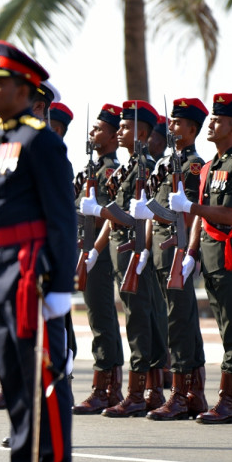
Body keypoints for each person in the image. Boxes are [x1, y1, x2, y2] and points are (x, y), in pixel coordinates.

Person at [0, 41, 75, 462]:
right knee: (14, 382)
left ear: (24, 90)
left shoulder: (42, 142)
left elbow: (61, 218)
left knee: (44, 384)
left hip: (31, 273)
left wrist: (60, 285)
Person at [79, 100, 168, 417]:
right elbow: (113, 217)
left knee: (142, 322)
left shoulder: (150, 167)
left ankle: (142, 390)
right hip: (121, 252)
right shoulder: (129, 168)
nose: (120, 132)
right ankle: (141, 390)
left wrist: (100, 213)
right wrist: (93, 250)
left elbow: (137, 216)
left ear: (142, 133)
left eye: (126, 127)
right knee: (135, 320)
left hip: (137, 252)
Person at [172, 93, 232, 423]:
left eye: (218, 120)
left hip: (228, 255)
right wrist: (191, 254)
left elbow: (231, 214)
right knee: (223, 326)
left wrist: (189, 206)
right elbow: (202, 221)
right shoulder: (210, 167)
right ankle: (231, 400)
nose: (211, 123)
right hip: (208, 255)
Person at [145, 98, 209, 419]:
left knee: (179, 323)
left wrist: (190, 252)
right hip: (163, 251)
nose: (170, 128)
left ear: (192, 129)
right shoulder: (169, 164)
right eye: (170, 123)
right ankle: (194, 393)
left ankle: (182, 394)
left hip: (177, 251)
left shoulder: (193, 165)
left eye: (177, 123)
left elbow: (189, 213)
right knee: (179, 319)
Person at [73, 103, 125, 414]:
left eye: (98, 129)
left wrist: (94, 252)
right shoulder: (91, 171)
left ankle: (107, 387)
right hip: (87, 250)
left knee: (103, 320)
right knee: (96, 320)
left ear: (114, 135)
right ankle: (105, 384)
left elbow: (109, 216)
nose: (93, 133)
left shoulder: (110, 172)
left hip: (100, 253)